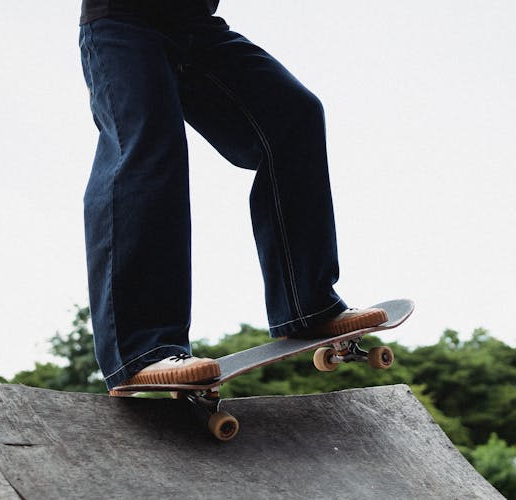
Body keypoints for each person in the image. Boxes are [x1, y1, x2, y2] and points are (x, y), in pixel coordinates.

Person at [78, 0, 387, 393]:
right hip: (123, 22)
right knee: (149, 150)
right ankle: (142, 349)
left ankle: (307, 304)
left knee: (293, 116)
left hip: (195, 25)